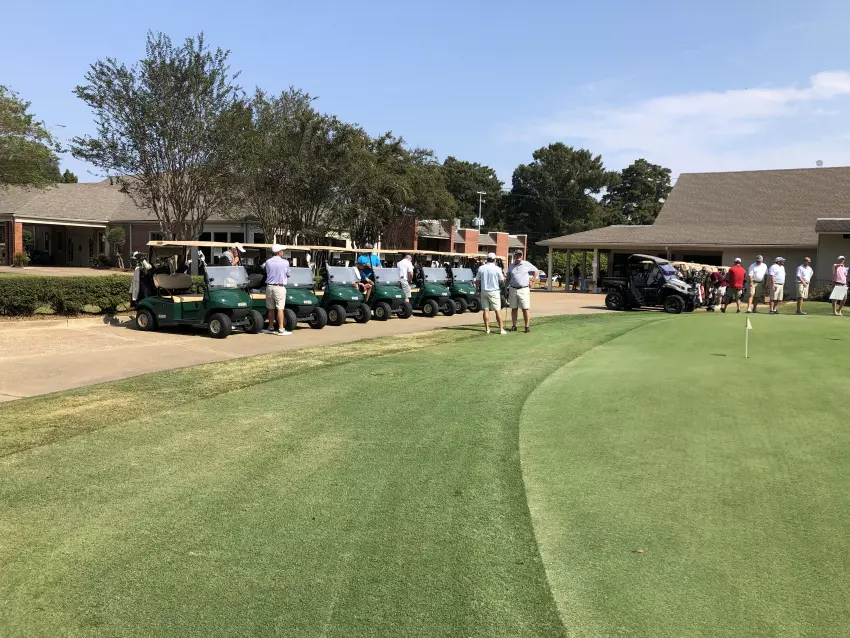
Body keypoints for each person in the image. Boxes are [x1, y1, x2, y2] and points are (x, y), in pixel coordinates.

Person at [262, 244, 292, 336]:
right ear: (279, 252)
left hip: (269, 287)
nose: (283, 252)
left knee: (270, 308)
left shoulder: (268, 262)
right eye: (282, 251)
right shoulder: (285, 262)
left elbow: (266, 271)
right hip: (279, 287)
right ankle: (281, 329)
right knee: (280, 308)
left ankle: (270, 327)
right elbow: (288, 274)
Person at [474, 252, 506, 334]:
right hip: (494, 291)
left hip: (484, 291)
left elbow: (477, 281)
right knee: (497, 310)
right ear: (494, 259)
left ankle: (487, 329)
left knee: (486, 310)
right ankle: (501, 329)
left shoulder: (481, 268)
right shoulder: (497, 268)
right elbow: (502, 280)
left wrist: (477, 290)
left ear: (487, 259)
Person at [506, 250, 538, 333]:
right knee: (514, 308)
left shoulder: (526, 264)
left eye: (520, 255)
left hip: (523, 289)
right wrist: (506, 288)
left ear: (522, 256)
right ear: (514, 256)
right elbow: (508, 277)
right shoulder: (511, 266)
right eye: (517, 255)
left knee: (525, 308)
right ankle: (514, 326)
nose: (519, 256)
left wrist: (532, 280)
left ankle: (527, 326)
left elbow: (536, 271)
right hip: (513, 289)